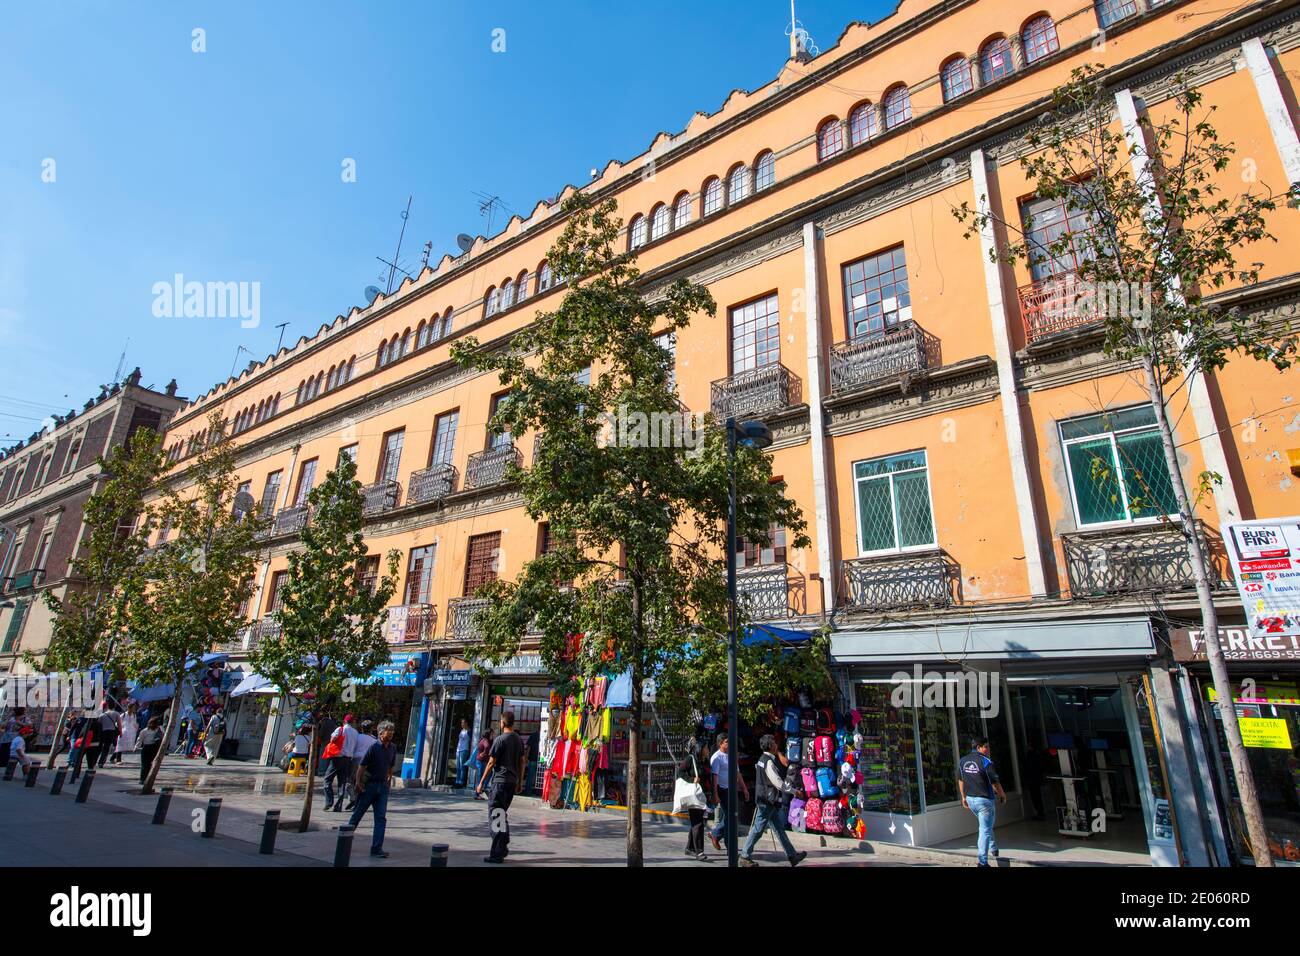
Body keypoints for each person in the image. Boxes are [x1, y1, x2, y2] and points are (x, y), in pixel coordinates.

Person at [740, 734, 807, 867]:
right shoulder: (768, 762)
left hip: (766, 799)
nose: (777, 745)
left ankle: (792, 855)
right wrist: (795, 792)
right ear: (770, 746)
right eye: (775, 743)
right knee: (758, 829)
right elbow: (778, 783)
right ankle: (744, 856)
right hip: (766, 800)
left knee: (779, 830)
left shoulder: (762, 759)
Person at [475, 710, 527, 864]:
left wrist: (481, 782)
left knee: (496, 814)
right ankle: (502, 845)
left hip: (500, 782)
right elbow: (522, 761)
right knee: (501, 813)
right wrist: (519, 781)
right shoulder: (518, 740)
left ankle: (497, 852)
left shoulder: (500, 739)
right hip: (511, 782)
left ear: (503, 723)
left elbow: (491, 762)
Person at [347, 720, 398, 858]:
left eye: (392, 731)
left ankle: (376, 848)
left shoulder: (393, 748)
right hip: (369, 786)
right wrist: (358, 783)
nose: (391, 733)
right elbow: (362, 767)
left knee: (381, 818)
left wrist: (389, 779)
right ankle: (345, 839)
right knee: (357, 814)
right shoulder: (373, 747)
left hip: (382, 787)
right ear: (380, 733)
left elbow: (391, 765)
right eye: (388, 730)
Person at [958, 735, 1007, 867]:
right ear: (979, 747)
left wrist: (963, 797)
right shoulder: (986, 762)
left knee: (985, 825)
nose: (987, 749)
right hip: (984, 800)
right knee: (985, 829)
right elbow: (995, 782)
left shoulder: (963, 761)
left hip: (971, 799)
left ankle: (993, 848)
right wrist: (1002, 794)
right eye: (985, 746)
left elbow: (960, 780)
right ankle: (982, 862)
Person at [708, 731, 750, 852]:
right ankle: (728, 843)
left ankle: (715, 834)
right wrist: (715, 794)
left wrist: (744, 788)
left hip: (731, 789)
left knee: (731, 816)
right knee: (730, 816)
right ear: (720, 744)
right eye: (727, 742)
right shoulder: (716, 758)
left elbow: (737, 773)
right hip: (722, 790)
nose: (729, 744)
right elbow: (714, 777)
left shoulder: (731, 755)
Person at [678, 736, 709, 861]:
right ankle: (699, 851)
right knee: (698, 823)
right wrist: (692, 779)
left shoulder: (704, 761)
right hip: (693, 795)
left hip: (702, 795)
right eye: (706, 748)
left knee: (698, 821)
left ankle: (690, 848)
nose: (707, 750)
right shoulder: (690, 759)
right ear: (699, 748)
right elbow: (680, 773)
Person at [323, 713, 359, 812]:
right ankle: (338, 806)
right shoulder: (356, 733)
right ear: (353, 722)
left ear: (345, 721)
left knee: (327, 780)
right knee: (342, 782)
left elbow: (333, 739)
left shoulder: (340, 729)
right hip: (347, 759)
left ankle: (329, 802)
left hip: (337, 757)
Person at [343, 720, 376, 810]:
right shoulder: (374, 740)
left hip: (355, 760)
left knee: (349, 781)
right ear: (372, 729)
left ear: (362, 728)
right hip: (367, 764)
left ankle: (353, 798)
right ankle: (357, 802)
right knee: (362, 783)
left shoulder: (357, 737)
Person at [136, 717, 164, 784]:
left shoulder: (144, 731)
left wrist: (137, 747)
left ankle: (142, 779)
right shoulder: (160, 729)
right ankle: (148, 778)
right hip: (155, 748)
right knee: (151, 764)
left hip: (146, 748)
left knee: (145, 764)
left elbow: (140, 740)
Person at [96, 703, 121, 767]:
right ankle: (101, 762)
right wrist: (120, 732)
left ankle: (94, 760)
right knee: (106, 748)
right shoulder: (116, 713)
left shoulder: (102, 715)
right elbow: (119, 724)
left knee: (99, 747)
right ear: (114, 706)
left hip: (102, 732)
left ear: (107, 706)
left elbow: (99, 724)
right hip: (111, 732)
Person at [472, 727, 493, 800]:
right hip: (482, 761)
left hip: (481, 760)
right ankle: (478, 792)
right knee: (481, 776)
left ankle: (480, 790)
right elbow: (487, 747)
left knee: (483, 775)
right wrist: (484, 753)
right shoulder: (486, 740)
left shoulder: (482, 739)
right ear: (488, 734)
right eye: (492, 733)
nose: (492, 735)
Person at [453, 718, 472, 789]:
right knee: (458, 767)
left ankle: (461, 782)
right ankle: (457, 781)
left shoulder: (469, 731)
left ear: (466, 723)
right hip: (459, 750)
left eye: (463, 722)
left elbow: (471, 741)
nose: (462, 724)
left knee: (462, 767)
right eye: (461, 723)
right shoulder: (462, 730)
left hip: (464, 750)